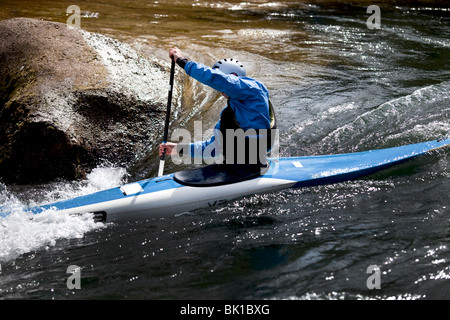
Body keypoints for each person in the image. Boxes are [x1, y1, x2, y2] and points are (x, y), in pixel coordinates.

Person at [159, 47, 276, 166]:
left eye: (221, 85)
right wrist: (177, 148)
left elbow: (216, 79)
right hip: (235, 166)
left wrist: (182, 61)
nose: (220, 91)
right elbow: (212, 148)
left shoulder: (254, 89)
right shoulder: (230, 115)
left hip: (253, 164)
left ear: (234, 76)